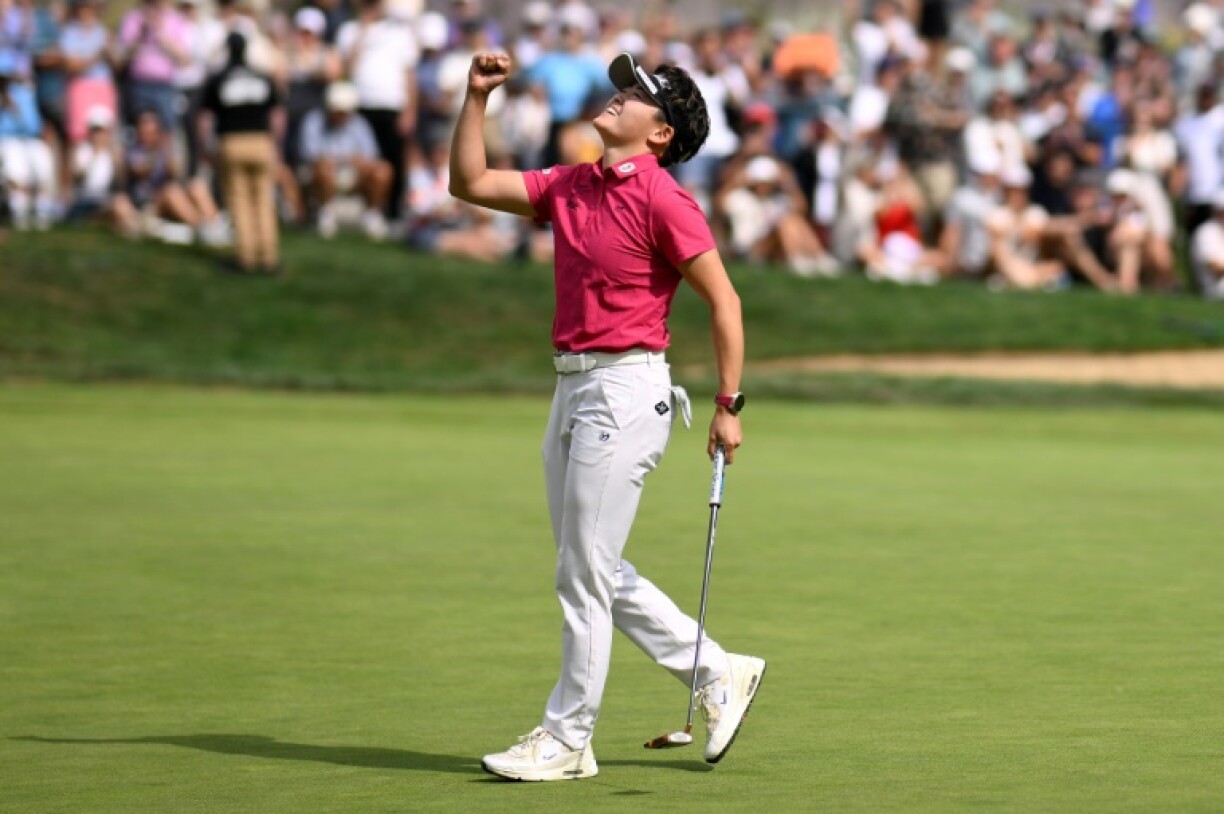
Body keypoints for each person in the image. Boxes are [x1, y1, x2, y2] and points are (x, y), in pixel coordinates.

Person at [450, 50, 765, 782]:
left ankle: (567, 739)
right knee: (588, 566)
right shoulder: (571, 184)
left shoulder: (664, 199)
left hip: (626, 390)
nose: (619, 96)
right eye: (622, 86)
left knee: (583, 573)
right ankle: (717, 671)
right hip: (572, 388)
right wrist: (476, 100)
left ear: (661, 134)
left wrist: (728, 404)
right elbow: (466, 182)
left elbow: (725, 300)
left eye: (639, 95)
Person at [202, 32, 280, 274]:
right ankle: (268, 258)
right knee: (263, 199)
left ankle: (245, 258)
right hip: (260, 140)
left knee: (239, 199)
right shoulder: (262, 77)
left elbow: (205, 117)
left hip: (231, 141)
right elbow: (276, 114)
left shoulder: (218, 78)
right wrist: (275, 143)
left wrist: (206, 145)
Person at [297, 80, 391, 239]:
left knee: (383, 170)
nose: (341, 115)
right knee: (324, 168)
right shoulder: (313, 121)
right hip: (322, 174)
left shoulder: (359, 123)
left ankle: (372, 217)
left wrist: (352, 162)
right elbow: (310, 156)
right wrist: (346, 159)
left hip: (353, 175)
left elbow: (370, 156)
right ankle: (325, 215)